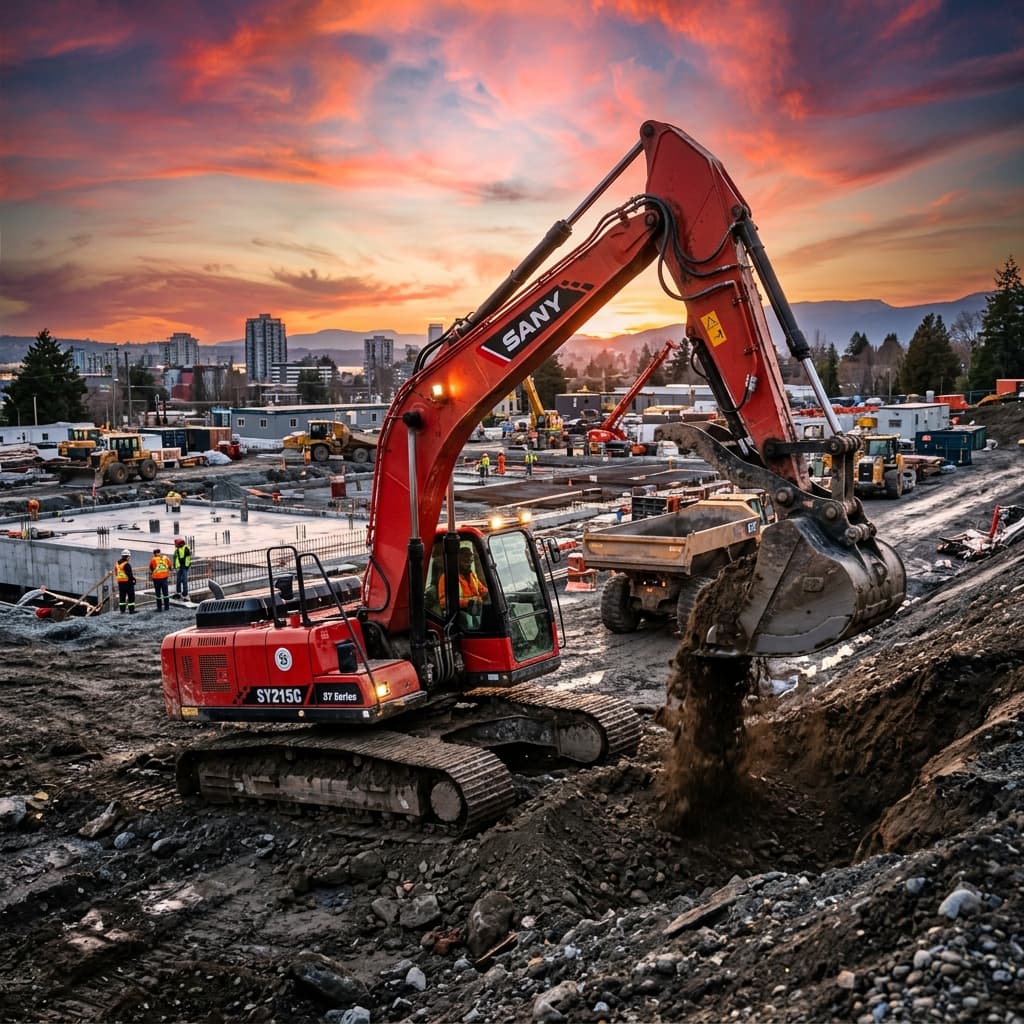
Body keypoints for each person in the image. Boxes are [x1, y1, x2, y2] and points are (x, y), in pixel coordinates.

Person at [438, 547, 489, 627]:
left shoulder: (472, 575)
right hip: (461, 612)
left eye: (470, 561)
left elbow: (482, 591)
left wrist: (492, 594)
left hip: (476, 608)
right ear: (457, 561)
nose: (468, 564)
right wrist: (468, 602)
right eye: (465, 561)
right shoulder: (446, 578)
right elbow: (443, 603)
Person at [149, 547, 171, 611]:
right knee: (165, 593)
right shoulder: (165, 558)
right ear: (160, 552)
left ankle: (159, 608)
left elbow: (151, 568)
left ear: (154, 554)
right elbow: (170, 567)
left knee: (158, 593)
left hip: (156, 579)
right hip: (164, 578)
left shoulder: (153, 560)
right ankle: (167, 607)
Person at [115, 550, 136, 614]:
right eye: (129, 557)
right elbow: (129, 574)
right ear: (127, 557)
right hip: (127, 582)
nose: (129, 558)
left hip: (120, 582)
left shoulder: (117, 563)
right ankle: (131, 610)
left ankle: (122, 610)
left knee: (122, 596)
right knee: (131, 596)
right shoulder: (126, 564)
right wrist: (133, 579)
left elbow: (116, 573)